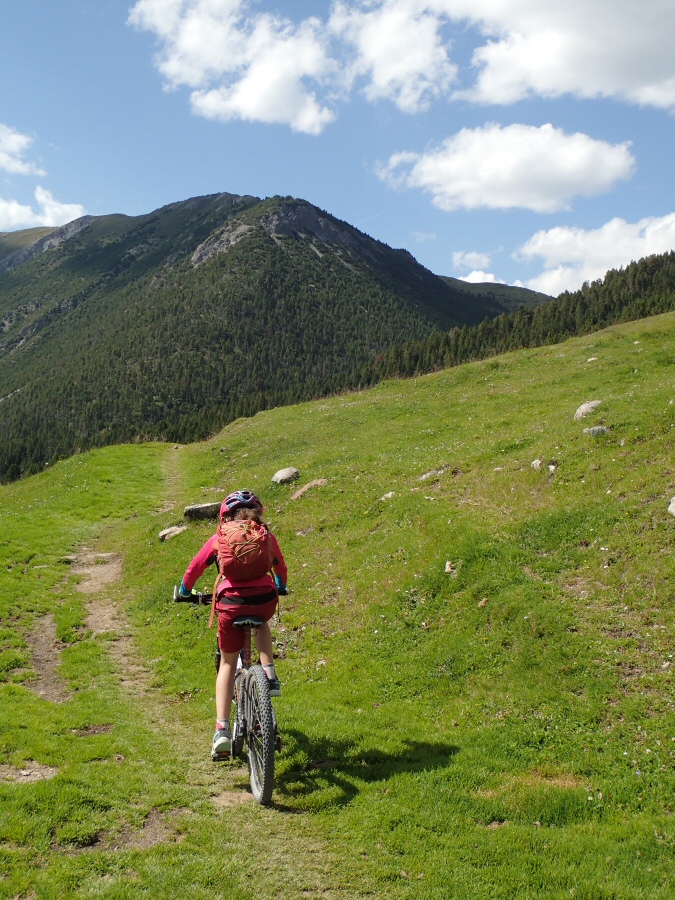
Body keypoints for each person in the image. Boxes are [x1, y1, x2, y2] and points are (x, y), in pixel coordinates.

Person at [178, 490, 287, 760]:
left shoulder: (220, 537)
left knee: (227, 663)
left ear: (226, 516)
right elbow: (281, 567)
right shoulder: (265, 535)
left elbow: (194, 569)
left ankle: (222, 731)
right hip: (264, 599)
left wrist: (183, 591)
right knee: (262, 624)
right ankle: (270, 677)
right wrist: (280, 586)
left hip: (230, 604)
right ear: (257, 513)